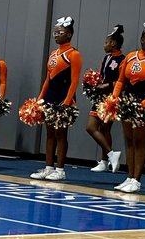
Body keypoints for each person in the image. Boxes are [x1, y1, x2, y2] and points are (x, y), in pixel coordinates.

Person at [111, 23, 145, 193]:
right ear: (142, 40)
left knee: (139, 142)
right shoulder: (130, 57)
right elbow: (121, 80)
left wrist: (141, 106)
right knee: (129, 141)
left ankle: (136, 180)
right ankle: (129, 177)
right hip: (127, 103)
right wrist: (114, 98)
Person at [30, 17, 82, 181]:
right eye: (55, 32)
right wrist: (40, 99)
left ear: (69, 34)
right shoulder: (53, 54)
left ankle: (60, 170)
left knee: (61, 134)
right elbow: (48, 79)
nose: (56, 35)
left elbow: (74, 81)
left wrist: (66, 102)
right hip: (50, 98)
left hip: (63, 99)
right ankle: (48, 167)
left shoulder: (74, 54)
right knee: (50, 134)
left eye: (60, 32)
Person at [87, 25, 125, 172]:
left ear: (113, 44)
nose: (104, 45)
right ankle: (105, 160)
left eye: (106, 42)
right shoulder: (106, 58)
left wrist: (108, 85)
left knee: (92, 127)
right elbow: (102, 76)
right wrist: (93, 82)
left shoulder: (122, 59)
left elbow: (123, 82)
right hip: (100, 97)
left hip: (111, 98)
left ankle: (110, 155)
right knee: (102, 129)